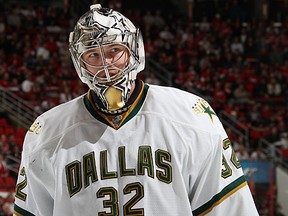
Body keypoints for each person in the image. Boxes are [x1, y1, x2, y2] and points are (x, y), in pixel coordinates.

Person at [13, 4, 259, 216]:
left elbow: (229, 207)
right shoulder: (46, 132)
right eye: (93, 55)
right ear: (80, 64)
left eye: (114, 51)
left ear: (134, 50)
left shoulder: (191, 116)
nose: (106, 64)